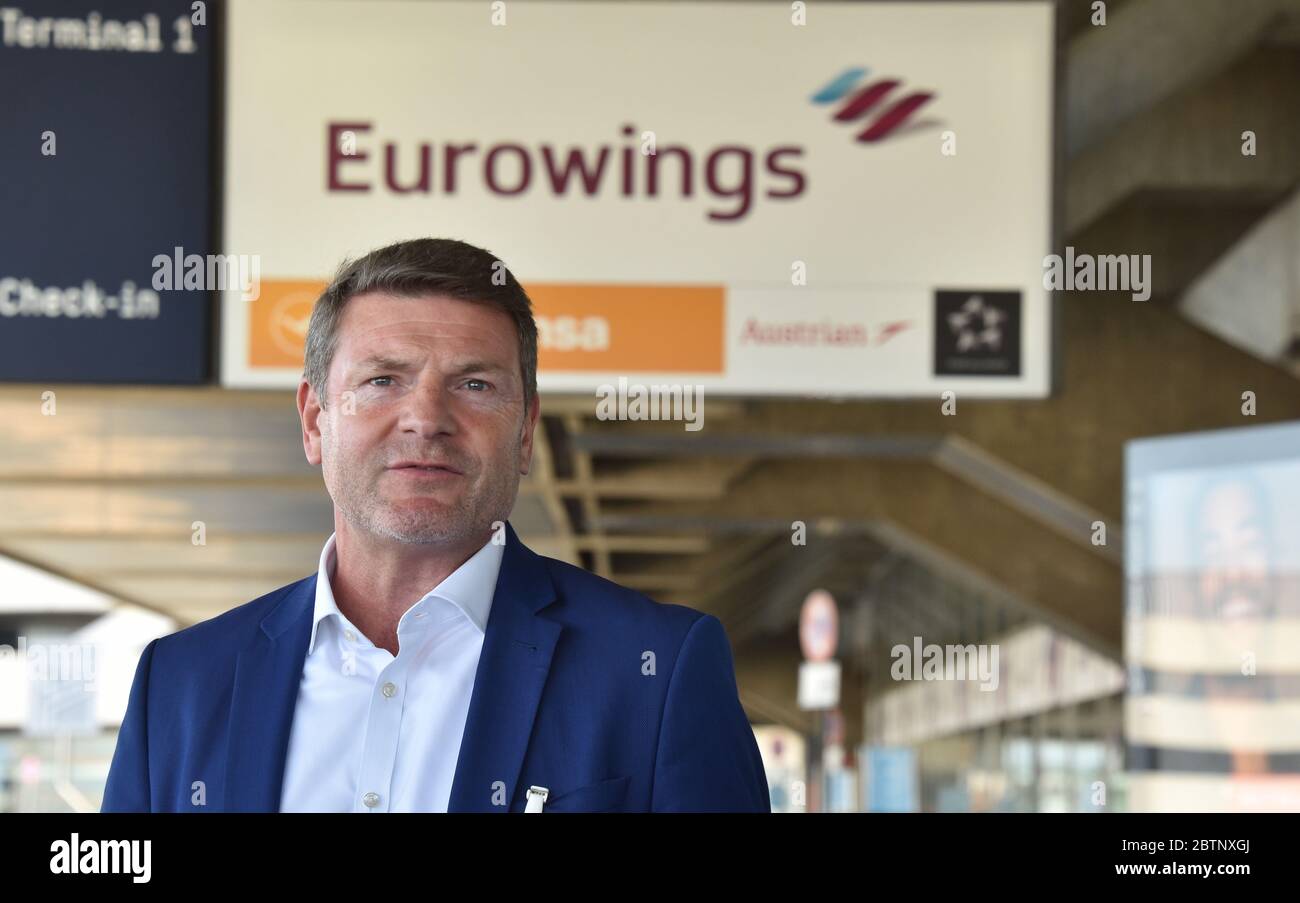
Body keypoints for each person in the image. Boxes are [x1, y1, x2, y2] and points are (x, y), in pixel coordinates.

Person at [101, 237, 770, 812]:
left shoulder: (658, 671)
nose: (426, 417)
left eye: (474, 384)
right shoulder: (181, 684)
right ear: (314, 420)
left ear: (526, 430)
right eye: (384, 379)